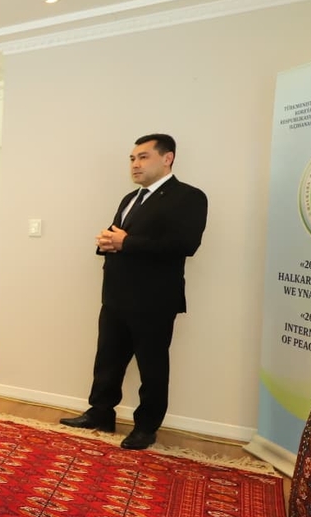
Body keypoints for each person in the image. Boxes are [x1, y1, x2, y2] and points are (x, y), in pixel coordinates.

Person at [59, 134, 209, 451]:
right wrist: (107, 243)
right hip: (115, 295)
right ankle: (100, 413)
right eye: (132, 159)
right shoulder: (130, 198)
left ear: (167, 158)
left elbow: (185, 245)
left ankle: (145, 427)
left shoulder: (189, 197)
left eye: (142, 157)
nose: (135, 164)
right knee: (107, 361)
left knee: (152, 368)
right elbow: (119, 238)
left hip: (154, 300)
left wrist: (125, 243)